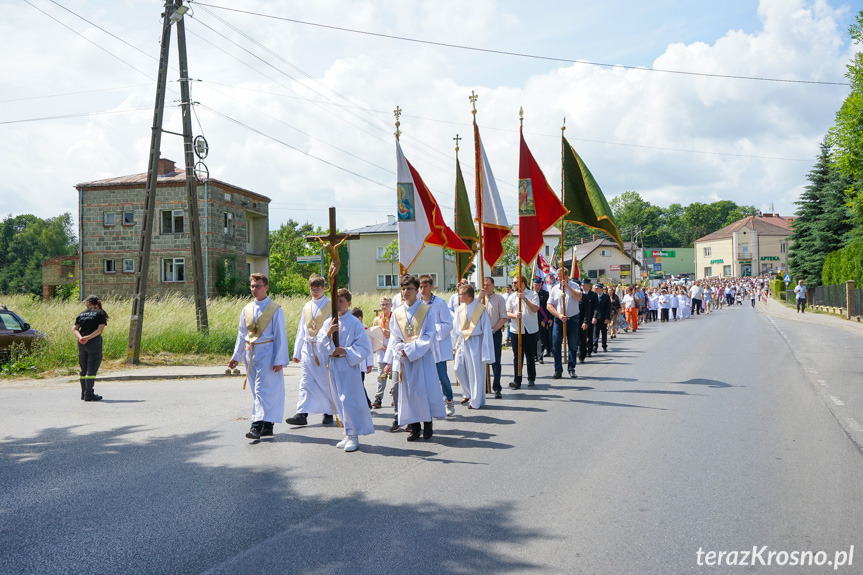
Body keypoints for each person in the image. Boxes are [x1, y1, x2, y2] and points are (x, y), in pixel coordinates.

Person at [385, 274, 445, 441]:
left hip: (422, 357)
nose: (405, 292)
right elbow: (395, 337)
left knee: (423, 391)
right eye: (403, 289)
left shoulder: (426, 311)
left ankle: (427, 424)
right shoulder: (397, 313)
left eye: (409, 288)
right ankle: (415, 427)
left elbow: (429, 335)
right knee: (410, 393)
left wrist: (411, 349)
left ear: (417, 290)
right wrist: (399, 350)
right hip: (405, 360)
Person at [229, 274, 289, 440]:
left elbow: (280, 336)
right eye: (253, 286)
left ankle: (256, 426)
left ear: (266, 287)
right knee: (258, 392)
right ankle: (268, 426)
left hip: (268, 353)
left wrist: (280, 360)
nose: (255, 289)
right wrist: (237, 356)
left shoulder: (275, 309)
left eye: (258, 286)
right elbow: (242, 334)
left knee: (263, 390)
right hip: (251, 353)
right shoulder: (247, 309)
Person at [317, 289, 376, 452]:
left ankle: (354, 435)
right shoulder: (329, 321)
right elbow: (320, 346)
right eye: (335, 301)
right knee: (338, 400)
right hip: (334, 365)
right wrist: (328, 334)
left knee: (349, 400)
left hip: (348, 365)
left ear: (349, 303)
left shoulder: (354, 322)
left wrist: (346, 351)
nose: (338, 304)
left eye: (341, 300)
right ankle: (347, 432)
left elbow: (364, 348)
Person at [287, 274, 335, 427]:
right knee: (305, 382)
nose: (314, 292)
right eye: (312, 289)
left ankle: (329, 412)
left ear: (324, 288)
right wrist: (297, 351)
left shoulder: (331, 306)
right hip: (308, 348)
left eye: (318, 289)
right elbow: (302, 329)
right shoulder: (307, 306)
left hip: (324, 349)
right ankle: (302, 413)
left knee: (325, 382)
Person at [418, 274, 456, 416]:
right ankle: (431, 403)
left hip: (437, 345)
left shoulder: (440, 302)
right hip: (424, 345)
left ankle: (449, 399)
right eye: (420, 287)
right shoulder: (417, 303)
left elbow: (448, 323)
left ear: (431, 287)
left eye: (425, 287)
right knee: (425, 377)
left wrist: (432, 329)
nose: (422, 290)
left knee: (441, 376)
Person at [453, 283, 495, 406]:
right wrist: (454, 344)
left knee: (475, 372)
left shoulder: (480, 309)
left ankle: (476, 401)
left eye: (460, 294)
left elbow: (486, 330)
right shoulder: (460, 308)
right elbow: (455, 328)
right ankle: (467, 393)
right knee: (458, 368)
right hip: (462, 342)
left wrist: (486, 349)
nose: (459, 296)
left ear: (467, 295)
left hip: (476, 341)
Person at [547, 269, 582, 379]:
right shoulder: (554, 289)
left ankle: (571, 368)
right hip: (559, 320)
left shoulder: (574, 285)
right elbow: (549, 305)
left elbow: (579, 297)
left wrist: (567, 287)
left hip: (572, 320)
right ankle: (558, 369)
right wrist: (559, 315)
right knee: (555, 345)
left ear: (567, 276)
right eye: (557, 277)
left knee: (572, 345)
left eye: (561, 276)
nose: (558, 279)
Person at [506, 275, 540, 390]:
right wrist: (515, 315)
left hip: (530, 329)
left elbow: (535, 309)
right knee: (517, 355)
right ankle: (517, 380)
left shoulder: (532, 294)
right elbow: (507, 313)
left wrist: (525, 299)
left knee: (530, 354)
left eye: (515, 282)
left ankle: (531, 378)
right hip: (516, 329)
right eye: (513, 282)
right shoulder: (512, 297)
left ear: (522, 283)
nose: (514, 284)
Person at [73, 295, 109, 402]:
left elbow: (75, 329)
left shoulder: (81, 314)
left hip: (82, 343)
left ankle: (83, 393)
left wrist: (81, 338)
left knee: (83, 369)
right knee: (92, 368)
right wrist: (88, 337)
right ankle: (89, 394)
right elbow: (100, 330)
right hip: (93, 342)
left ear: (88, 303)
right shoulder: (100, 313)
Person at [481, 277, 508, 398]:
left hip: (494, 333)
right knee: (481, 361)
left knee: (496, 361)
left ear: (493, 285)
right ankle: (484, 386)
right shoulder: (480, 299)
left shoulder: (499, 299)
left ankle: (497, 387)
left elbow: (503, 318)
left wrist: (493, 329)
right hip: (481, 334)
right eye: (484, 285)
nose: (485, 287)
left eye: (487, 285)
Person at [370, 296, 393, 409]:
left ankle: (395, 395)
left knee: (394, 375)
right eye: (382, 304)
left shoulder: (394, 318)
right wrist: (380, 346)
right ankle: (379, 397)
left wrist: (389, 331)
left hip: (393, 350)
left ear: (391, 305)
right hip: (381, 350)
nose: (384, 306)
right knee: (381, 375)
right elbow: (373, 335)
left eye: (386, 304)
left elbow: (399, 334)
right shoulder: (377, 319)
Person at [579, 278, 597, 362]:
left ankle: (589, 349)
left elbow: (596, 307)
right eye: (582, 285)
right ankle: (580, 352)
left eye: (585, 285)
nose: (583, 286)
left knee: (589, 334)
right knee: (581, 337)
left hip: (589, 318)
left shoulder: (593, 295)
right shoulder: (578, 294)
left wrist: (594, 317)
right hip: (579, 318)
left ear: (588, 285)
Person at [533, 277, 551, 363]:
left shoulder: (545, 294)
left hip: (542, 320)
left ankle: (540, 357)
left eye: (539, 285)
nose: (538, 286)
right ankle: (534, 355)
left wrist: (550, 318)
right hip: (532, 319)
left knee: (541, 339)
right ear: (533, 285)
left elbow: (549, 307)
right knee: (533, 339)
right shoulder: (530, 294)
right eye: (536, 285)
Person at [592, 283, 611, 351]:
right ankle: (595, 346)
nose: (596, 290)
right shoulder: (594, 296)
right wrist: (593, 317)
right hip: (596, 317)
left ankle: (604, 345)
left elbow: (608, 308)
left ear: (601, 289)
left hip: (603, 318)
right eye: (595, 288)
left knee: (604, 333)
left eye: (597, 288)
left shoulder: (606, 297)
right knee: (595, 333)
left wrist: (607, 318)